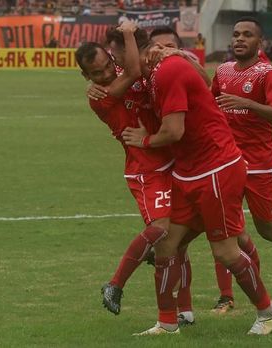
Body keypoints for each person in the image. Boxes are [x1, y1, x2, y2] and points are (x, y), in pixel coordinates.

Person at [120, 31, 272, 337]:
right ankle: (168, 323)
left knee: (225, 252)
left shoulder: (168, 70)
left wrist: (144, 140)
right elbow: (204, 85)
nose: (122, 66)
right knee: (168, 244)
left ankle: (268, 311)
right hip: (189, 172)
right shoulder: (155, 74)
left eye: (122, 57)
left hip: (215, 169)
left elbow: (174, 131)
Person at [75, 21, 188, 318]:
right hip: (146, 169)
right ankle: (115, 284)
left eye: (107, 65)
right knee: (162, 229)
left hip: (171, 160)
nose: (106, 74)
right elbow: (136, 72)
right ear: (86, 76)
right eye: (96, 73)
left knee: (180, 237)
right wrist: (128, 31)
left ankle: (184, 310)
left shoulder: (125, 71)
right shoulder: (100, 96)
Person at [210, 16, 272, 314]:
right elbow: (209, 103)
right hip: (227, 162)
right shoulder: (223, 71)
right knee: (220, 230)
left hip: (260, 165)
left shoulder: (267, 73)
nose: (239, 39)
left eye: (247, 35)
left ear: (259, 43)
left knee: (266, 228)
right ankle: (226, 297)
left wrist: (249, 104)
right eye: (236, 34)